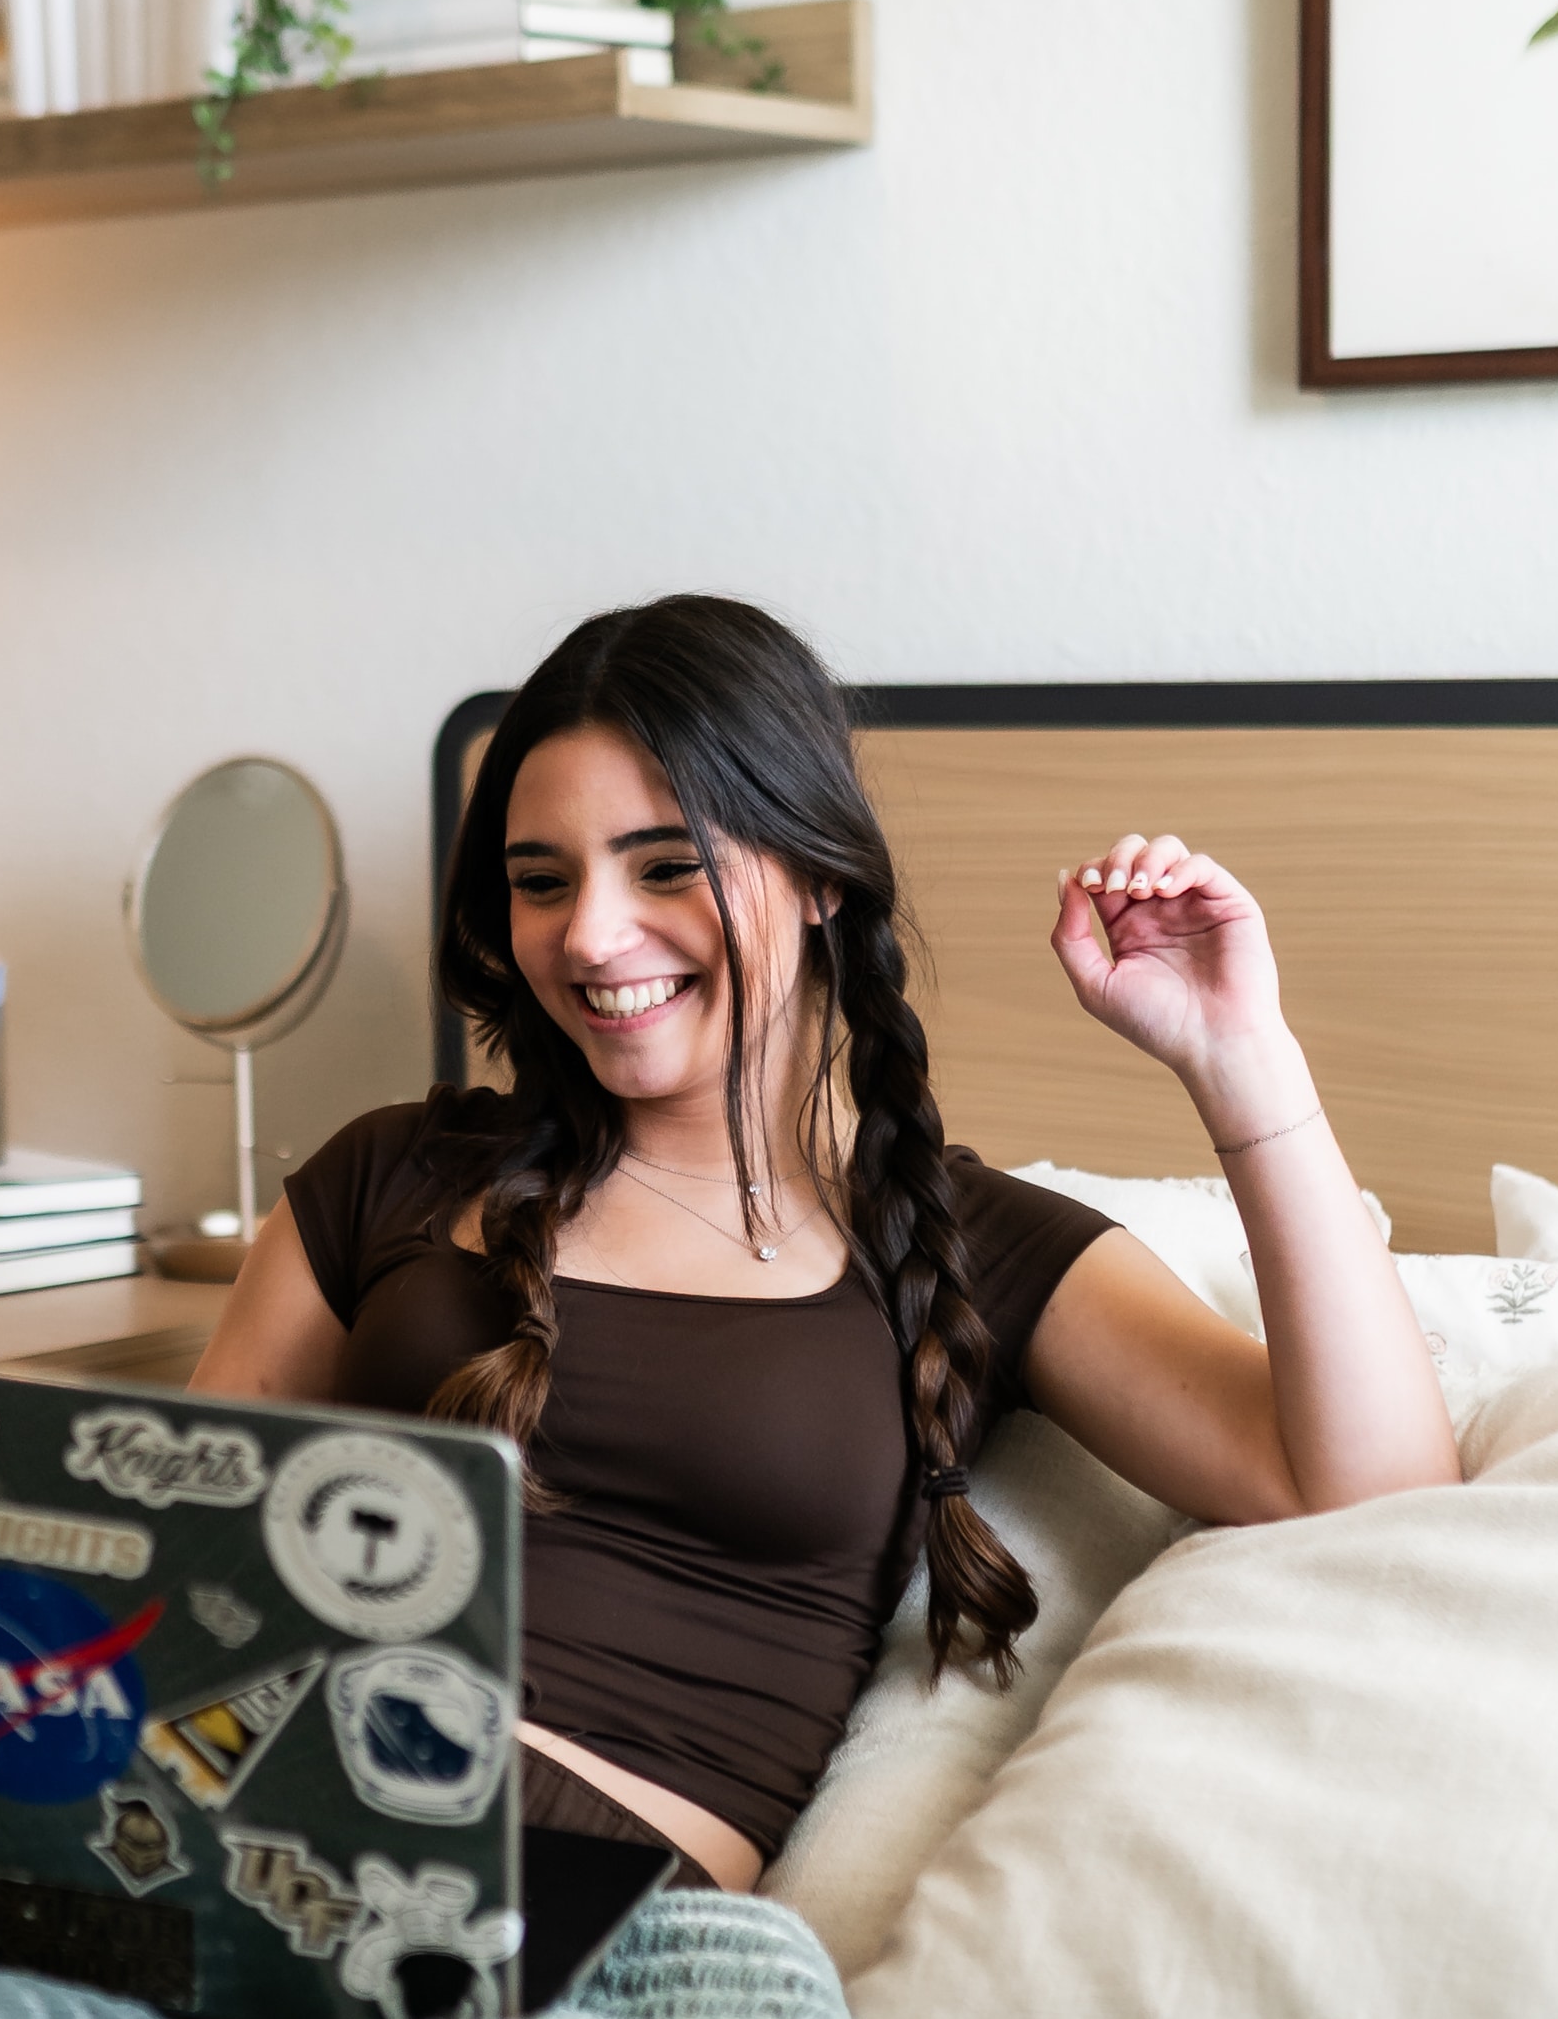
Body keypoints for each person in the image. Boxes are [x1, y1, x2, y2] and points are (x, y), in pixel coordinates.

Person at [193, 595, 1457, 1897]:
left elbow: (1372, 1488)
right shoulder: (386, 1171)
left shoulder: (967, 1242)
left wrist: (1237, 1060)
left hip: (576, 1904)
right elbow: (172, 1547)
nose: (587, 935)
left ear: (819, 874)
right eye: (540, 882)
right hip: (238, 1806)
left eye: (666, 865)